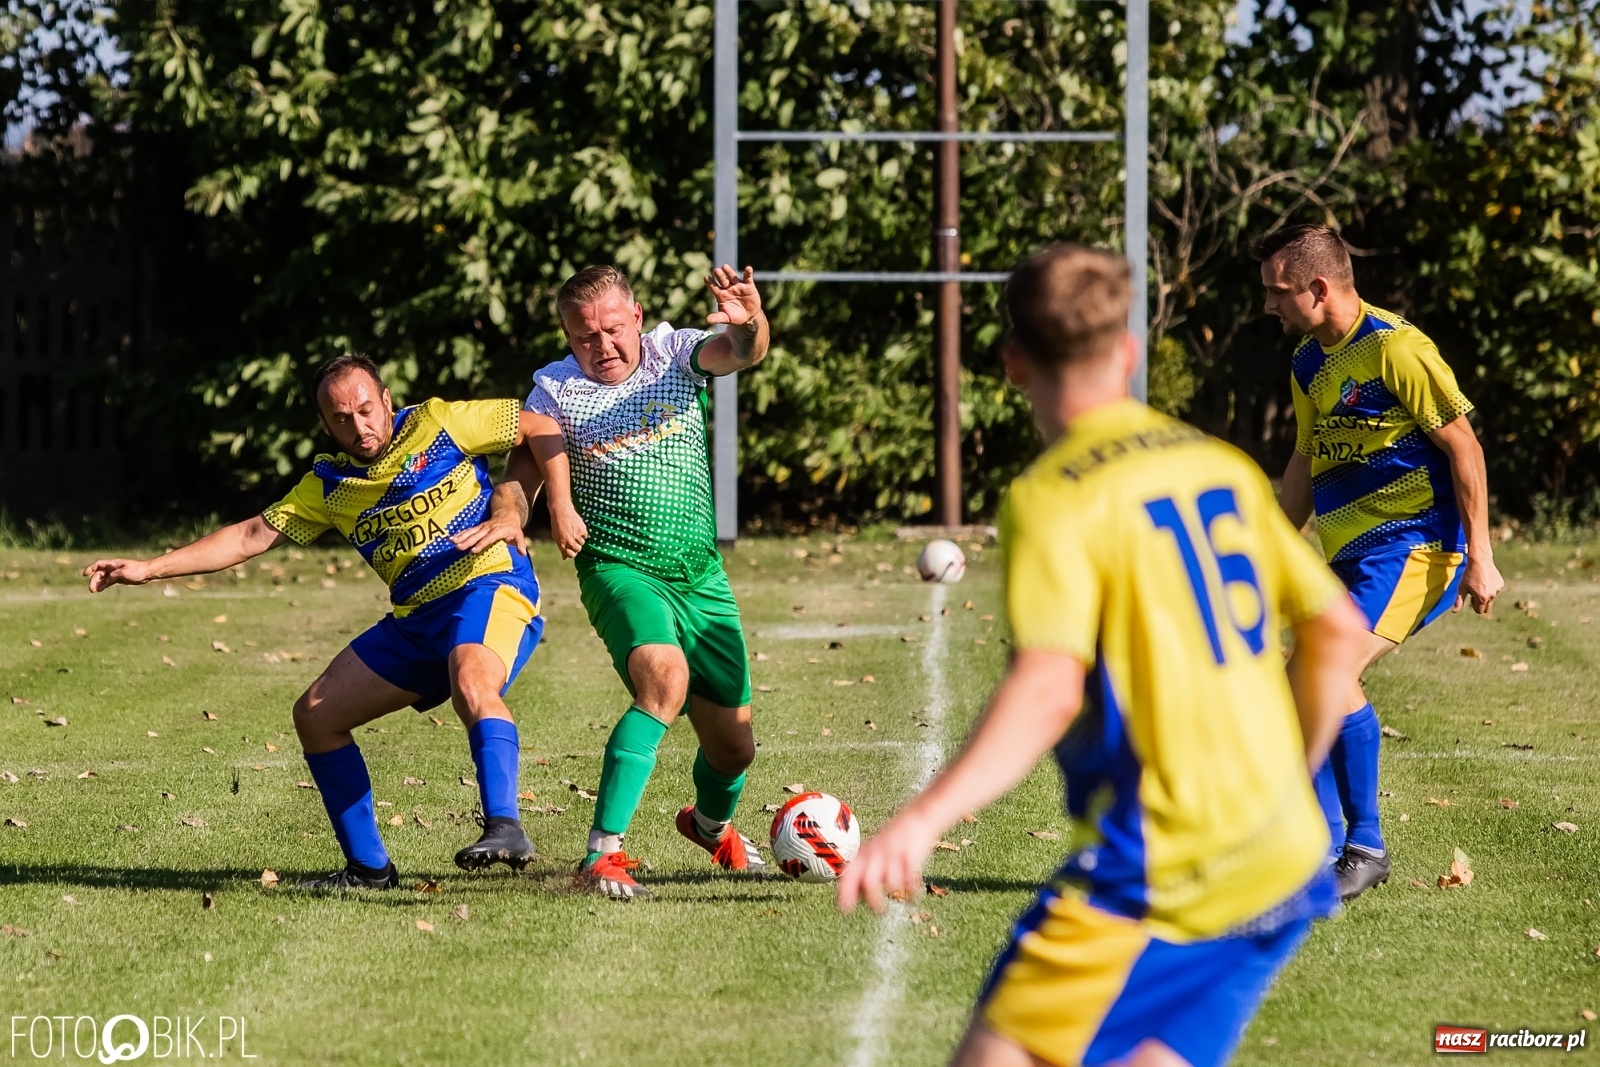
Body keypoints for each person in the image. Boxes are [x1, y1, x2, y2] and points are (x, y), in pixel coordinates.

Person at [837, 244, 1368, 1067]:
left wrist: (921, 818)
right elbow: (1334, 629)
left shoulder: (1053, 496)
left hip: (1161, 864)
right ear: (1127, 351)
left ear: (1014, 365)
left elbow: (1048, 688)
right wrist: (1285, 777)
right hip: (1284, 856)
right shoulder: (1216, 464)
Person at [83, 354, 549, 889]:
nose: (360, 426)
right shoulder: (331, 485)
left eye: (366, 410)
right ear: (325, 425)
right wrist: (149, 568)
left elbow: (540, 428)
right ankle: (369, 869)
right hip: (416, 618)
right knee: (316, 716)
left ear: (387, 401)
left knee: (472, 679)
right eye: (342, 419)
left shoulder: (441, 423)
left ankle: (505, 825)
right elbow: (250, 535)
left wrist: (524, 505)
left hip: (488, 585)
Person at [500, 263, 770, 901]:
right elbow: (518, 478)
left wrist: (751, 321)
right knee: (664, 680)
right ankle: (603, 854)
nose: (602, 347)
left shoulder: (674, 354)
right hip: (618, 568)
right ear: (569, 337)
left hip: (699, 573)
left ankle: (709, 826)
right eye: (584, 337)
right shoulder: (554, 392)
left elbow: (740, 351)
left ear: (638, 317)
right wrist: (515, 517)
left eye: (613, 329)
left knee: (733, 750)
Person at [1253, 223, 1504, 900]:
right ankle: (1325, 852)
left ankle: (1359, 846)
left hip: (1417, 544)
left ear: (1318, 286)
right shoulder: (1309, 362)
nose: (1270, 306)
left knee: (1325, 672)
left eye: (1278, 293)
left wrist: (1480, 554)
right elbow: (1305, 461)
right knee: (1298, 683)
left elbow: (1466, 449)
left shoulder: (1397, 348)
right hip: (1351, 555)